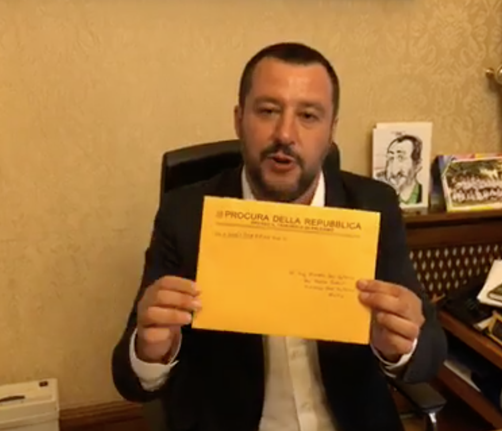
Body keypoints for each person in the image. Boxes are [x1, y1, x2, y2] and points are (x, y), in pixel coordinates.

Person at [111, 42, 447, 431]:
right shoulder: (184, 214)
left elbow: (431, 349)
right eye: (268, 111)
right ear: (239, 120)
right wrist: (151, 351)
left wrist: (400, 347)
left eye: (308, 115)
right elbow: (129, 378)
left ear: (331, 132)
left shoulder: (374, 205)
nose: (285, 133)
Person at [377, 134, 424, 205]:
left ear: (417, 165)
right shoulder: (381, 197)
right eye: (391, 158)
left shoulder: (422, 195)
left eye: (401, 158)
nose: (394, 171)